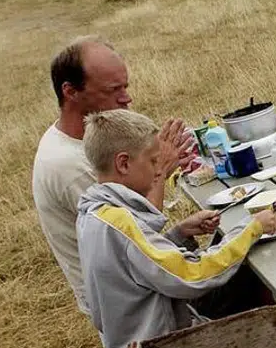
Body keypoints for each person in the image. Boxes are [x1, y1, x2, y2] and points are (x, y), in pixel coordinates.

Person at [76, 109, 276, 348]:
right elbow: (193, 275)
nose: (159, 171)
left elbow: (136, 265)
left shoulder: (93, 214)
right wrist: (251, 228)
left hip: (135, 346)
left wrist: (179, 234)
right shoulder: (121, 224)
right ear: (123, 163)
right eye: (152, 161)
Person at [31, 37, 197, 316]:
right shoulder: (72, 166)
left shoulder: (88, 139)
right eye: (113, 90)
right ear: (71, 92)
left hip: (137, 275)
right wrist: (160, 170)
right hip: (131, 302)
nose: (126, 98)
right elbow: (136, 233)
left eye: (125, 86)